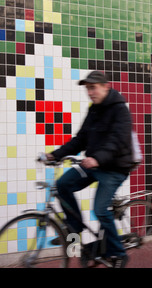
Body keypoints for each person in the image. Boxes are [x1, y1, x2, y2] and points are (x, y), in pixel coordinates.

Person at [45, 70, 135, 267]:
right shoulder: (94, 109)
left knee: (100, 209)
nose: (90, 92)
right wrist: (55, 155)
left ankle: (119, 254)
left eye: (93, 87)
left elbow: (118, 141)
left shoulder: (120, 110)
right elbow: (80, 140)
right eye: (87, 88)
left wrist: (97, 159)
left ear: (106, 86)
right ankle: (74, 230)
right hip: (94, 164)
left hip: (115, 168)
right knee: (63, 184)